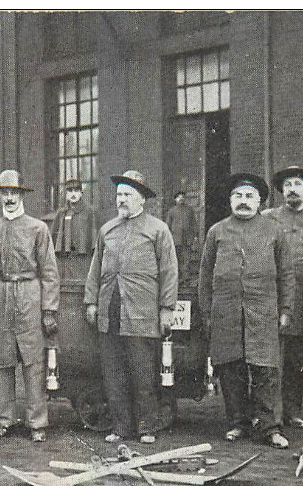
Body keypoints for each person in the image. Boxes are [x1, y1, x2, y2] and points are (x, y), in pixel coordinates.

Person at [199, 173, 295, 448]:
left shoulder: (274, 231)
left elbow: (287, 273)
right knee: (231, 370)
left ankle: (269, 427)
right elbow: (205, 276)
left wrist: (285, 308)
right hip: (226, 313)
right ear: (230, 200)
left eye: (249, 197)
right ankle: (237, 423)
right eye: (238, 196)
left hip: (263, 312)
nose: (243, 201)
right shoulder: (216, 232)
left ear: (260, 201)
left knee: (265, 370)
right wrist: (208, 312)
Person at [85, 170, 178, 445]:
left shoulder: (158, 229)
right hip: (110, 310)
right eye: (119, 195)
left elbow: (169, 271)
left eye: (127, 195)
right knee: (113, 373)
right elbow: (94, 270)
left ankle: (146, 427)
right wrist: (91, 302)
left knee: (142, 374)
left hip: (141, 311)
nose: (121, 200)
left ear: (141, 199)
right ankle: (120, 427)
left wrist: (166, 309)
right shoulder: (107, 230)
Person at [0, 170, 61, 443]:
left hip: (29, 295)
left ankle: (37, 423)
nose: (9, 198)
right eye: (5, 193)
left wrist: (48, 310)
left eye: (14, 193)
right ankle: (6, 420)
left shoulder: (38, 228)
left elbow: (49, 272)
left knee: (33, 362)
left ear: (22, 195)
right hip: (0, 296)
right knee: (1, 362)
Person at [263, 166, 303, 430]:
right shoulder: (268, 218)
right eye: (287, 185)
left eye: (297, 184)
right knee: (270, 358)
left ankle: (293, 410)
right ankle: (271, 412)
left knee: (296, 360)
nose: (292, 189)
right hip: (271, 296)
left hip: (301, 298)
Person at [50, 178, 97, 256]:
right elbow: (54, 235)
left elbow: (93, 234)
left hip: (83, 256)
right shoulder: (61, 212)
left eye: (76, 191)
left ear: (81, 193)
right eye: (70, 191)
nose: (73, 194)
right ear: (66, 194)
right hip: (65, 257)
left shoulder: (89, 211)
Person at [165, 188, 201, 290]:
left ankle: (186, 279)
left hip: (187, 239)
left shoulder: (189, 210)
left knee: (186, 259)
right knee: (175, 259)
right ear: (175, 199)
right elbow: (167, 226)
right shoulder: (171, 211)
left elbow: (194, 224)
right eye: (178, 197)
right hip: (175, 239)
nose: (181, 199)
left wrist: (195, 237)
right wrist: (168, 238)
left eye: (182, 197)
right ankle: (176, 279)